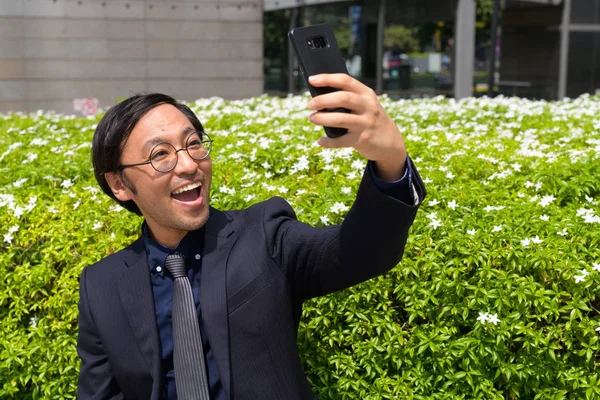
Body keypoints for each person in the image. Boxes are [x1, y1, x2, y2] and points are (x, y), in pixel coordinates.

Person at [77, 74, 426, 400]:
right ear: (120, 184)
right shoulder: (101, 285)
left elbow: (359, 252)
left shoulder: (264, 235)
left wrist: (390, 162)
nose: (187, 165)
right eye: (160, 155)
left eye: (193, 144)